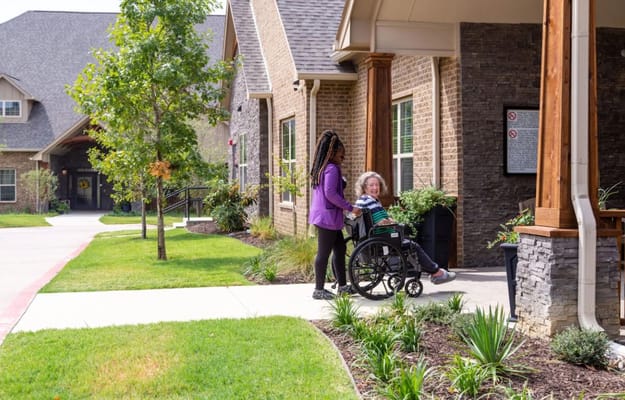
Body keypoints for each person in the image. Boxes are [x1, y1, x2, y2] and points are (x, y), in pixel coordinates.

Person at [354, 171, 456, 285]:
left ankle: (431, 271)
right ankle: (436, 272)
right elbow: (379, 221)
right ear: (364, 187)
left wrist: (390, 220)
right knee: (413, 246)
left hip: (377, 236)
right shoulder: (368, 201)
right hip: (383, 238)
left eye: (377, 185)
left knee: (408, 241)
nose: (375, 187)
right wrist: (392, 223)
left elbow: (372, 218)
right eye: (371, 185)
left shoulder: (366, 200)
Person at [309, 130, 361, 300]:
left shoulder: (323, 168)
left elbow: (329, 190)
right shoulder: (331, 168)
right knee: (323, 253)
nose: (342, 158)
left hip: (325, 216)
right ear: (331, 152)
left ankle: (343, 286)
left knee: (340, 248)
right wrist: (350, 207)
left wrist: (342, 183)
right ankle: (318, 290)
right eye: (341, 154)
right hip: (327, 218)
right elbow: (330, 193)